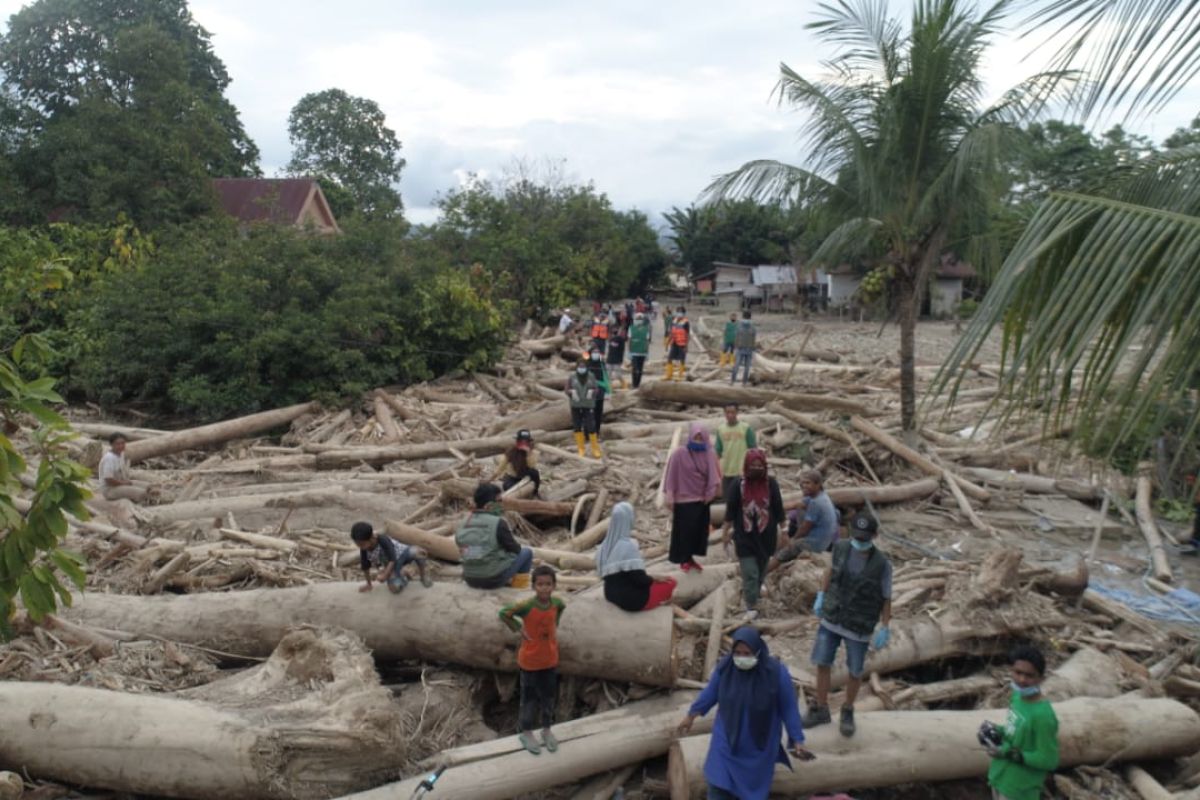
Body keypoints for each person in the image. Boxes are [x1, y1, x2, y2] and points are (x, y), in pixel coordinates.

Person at [677, 627, 814, 800]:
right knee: (717, 784)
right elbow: (711, 693)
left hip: (758, 748)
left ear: (758, 651)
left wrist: (797, 739)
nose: (742, 658)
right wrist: (691, 715)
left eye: (747, 653)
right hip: (726, 742)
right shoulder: (726, 668)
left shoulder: (776, 674)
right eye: (738, 653)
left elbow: (789, 708)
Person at [803, 512, 892, 738]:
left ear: (874, 536)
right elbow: (830, 572)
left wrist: (885, 626)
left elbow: (886, 597)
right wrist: (821, 596)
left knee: (855, 670)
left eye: (864, 537)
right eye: (857, 535)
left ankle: (848, 710)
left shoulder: (882, 565)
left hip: (859, 625)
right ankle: (821, 708)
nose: (860, 541)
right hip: (832, 616)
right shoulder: (841, 548)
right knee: (822, 662)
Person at [499, 564, 566, 755]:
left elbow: (561, 609)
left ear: (554, 586)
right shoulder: (527, 606)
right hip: (529, 662)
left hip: (550, 660)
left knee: (548, 697)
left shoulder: (556, 604)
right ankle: (526, 731)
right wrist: (518, 628)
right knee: (528, 699)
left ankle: (546, 729)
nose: (544, 588)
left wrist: (555, 626)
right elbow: (504, 613)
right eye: (540, 584)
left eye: (548, 584)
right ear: (534, 586)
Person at [980, 644, 1060, 800]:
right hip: (1000, 778)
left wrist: (1010, 754)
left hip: (1020, 789)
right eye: (1018, 673)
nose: (1022, 680)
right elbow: (1014, 730)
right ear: (1011, 671)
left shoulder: (1043, 715)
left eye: (1029, 676)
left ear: (1041, 678)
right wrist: (996, 730)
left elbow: (1049, 759)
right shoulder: (1017, 697)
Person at [722, 450, 785, 621]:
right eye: (752, 465)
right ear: (746, 466)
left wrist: (784, 531)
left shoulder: (771, 484)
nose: (756, 468)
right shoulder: (738, 484)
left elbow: (778, 508)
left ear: (764, 467)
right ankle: (751, 604)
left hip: (767, 536)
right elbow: (731, 509)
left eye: (759, 466)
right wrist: (725, 532)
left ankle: (754, 595)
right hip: (745, 535)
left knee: (761, 571)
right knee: (750, 572)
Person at [596, 501, 677, 611]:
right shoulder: (628, 545)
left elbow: (615, 575)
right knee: (671, 582)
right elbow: (640, 580)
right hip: (632, 600)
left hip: (610, 595)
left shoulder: (604, 546)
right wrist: (653, 579)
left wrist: (652, 577)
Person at [664, 422, 722, 572]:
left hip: (701, 499)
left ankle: (691, 558)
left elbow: (714, 476)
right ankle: (684, 559)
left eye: (700, 438)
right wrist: (669, 495)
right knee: (684, 531)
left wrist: (711, 493)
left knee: (698, 532)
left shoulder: (709, 453)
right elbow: (671, 475)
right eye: (695, 438)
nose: (697, 441)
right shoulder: (679, 454)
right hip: (683, 500)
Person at [455, 483, 534, 589]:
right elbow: (516, 549)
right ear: (488, 505)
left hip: (469, 578)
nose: (501, 504)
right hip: (492, 579)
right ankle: (519, 588)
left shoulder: (463, 522)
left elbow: (466, 549)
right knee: (526, 553)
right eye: (499, 501)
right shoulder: (498, 523)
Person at [768, 470, 840, 573]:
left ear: (818, 484)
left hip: (815, 542)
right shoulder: (818, 496)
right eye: (802, 483)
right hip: (822, 539)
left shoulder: (816, 503)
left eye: (808, 483)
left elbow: (805, 528)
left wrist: (793, 540)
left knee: (786, 550)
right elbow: (796, 504)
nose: (804, 486)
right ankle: (775, 555)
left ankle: (761, 575)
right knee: (799, 510)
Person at [351, 521, 432, 593]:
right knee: (395, 588)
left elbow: (392, 559)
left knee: (420, 553)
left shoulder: (382, 539)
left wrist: (385, 575)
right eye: (358, 545)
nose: (360, 547)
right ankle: (403, 575)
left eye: (362, 544)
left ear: (372, 538)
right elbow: (365, 567)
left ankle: (423, 576)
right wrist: (369, 584)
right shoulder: (364, 550)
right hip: (392, 567)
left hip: (402, 553)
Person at [97, 433, 157, 502]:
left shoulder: (121, 454)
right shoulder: (109, 458)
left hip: (120, 483)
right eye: (118, 444)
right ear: (112, 445)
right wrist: (123, 483)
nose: (121, 446)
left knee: (150, 486)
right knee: (141, 493)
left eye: (123, 443)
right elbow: (108, 479)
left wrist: (125, 482)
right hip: (110, 489)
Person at [715, 404, 757, 501]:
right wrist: (717, 471)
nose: (730, 415)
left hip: (742, 470)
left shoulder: (745, 428)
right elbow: (718, 451)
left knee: (743, 498)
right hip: (726, 471)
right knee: (728, 500)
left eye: (732, 412)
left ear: (737, 413)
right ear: (724, 413)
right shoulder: (720, 429)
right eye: (727, 412)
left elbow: (753, 449)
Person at [565, 357, 602, 458]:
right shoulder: (572, 377)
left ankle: (595, 449)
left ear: (586, 367)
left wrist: (592, 392)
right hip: (575, 405)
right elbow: (567, 389)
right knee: (577, 426)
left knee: (591, 426)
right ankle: (581, 448)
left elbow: (596, 388)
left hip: (588, 404)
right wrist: (571, 392)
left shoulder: (591, 376)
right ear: (577, 367)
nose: (582, 368)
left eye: (583, 366)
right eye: (580, 366)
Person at [492, 429, 541, 496]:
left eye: (525, 441)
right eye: (521, 441)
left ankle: (535, 493)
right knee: (509, 488)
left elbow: (531, 466)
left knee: (535, 472)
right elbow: (500, 468)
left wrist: (528, 454)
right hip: (513, 478)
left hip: (526, 476)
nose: (523, 443)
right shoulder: (511, 452)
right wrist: (490, 479)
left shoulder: (533, 453)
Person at [587, 348, 611, 441]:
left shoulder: (602, 364)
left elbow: (605, 378)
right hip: (589, 392)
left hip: (600, 392)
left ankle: (596, 434)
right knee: (589, 415)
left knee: (598, 414)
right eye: (594, 353)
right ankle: (588, 434)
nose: (596, 354)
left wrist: (608, 392)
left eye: (597, 352)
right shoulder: (587, 364)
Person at [731, 310, 757, 386]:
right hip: (749, 349)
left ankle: (732, 381)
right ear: (750, 317)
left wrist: (735, 347)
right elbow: (753, 339)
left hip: (740, 348)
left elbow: (736, 337)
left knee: (736, 365)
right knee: (747, 367)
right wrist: (753, 349)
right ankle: (744, 383)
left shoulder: (739, 326)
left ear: (743, 317)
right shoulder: (753, 328)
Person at [666, 306, 691, 382]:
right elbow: (671, 332)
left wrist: (686, 346)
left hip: (682, 343)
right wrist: (667, 342)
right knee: (669, 358)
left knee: (682, 359)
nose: (679, 313)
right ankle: (669, 375)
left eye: (681, 312)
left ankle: (680, 375)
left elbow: (687, 334)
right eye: (678, 312)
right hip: (674, 342)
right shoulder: (674, 321)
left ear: (683, 313)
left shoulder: (686, 322)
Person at [627, 312, 651, 389]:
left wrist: (647, 352)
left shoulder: (646, 329)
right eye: (637, 319)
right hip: (634, 351)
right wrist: (629, 351)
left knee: (640, 369)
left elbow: (647, 341)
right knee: (635, 368)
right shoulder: (631, 328)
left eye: (640, 319)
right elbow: (629, 340)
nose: (638, 320)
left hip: (642, 352)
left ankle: (637, 384)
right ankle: (634, 384)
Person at [606, 313, 628, 390]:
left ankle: (625, 385)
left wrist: (622, 324)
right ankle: (609, 388)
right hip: (609, 359)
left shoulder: (620, 340)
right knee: (608, 375)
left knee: (618, 375)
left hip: (617, 360)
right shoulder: (611, 339)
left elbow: (622, 328)